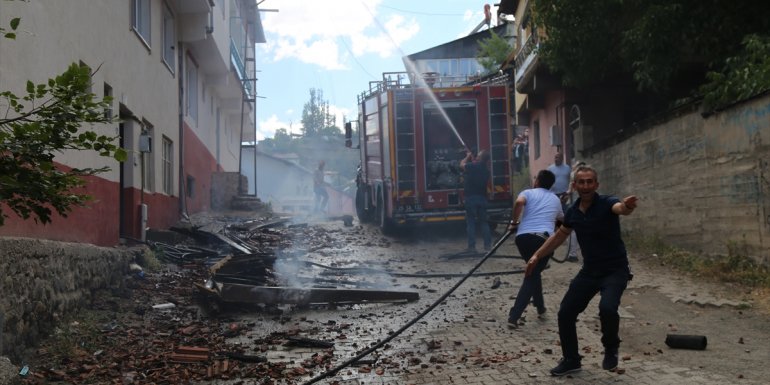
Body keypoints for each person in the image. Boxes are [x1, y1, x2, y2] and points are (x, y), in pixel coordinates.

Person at [524, 165, 638, 376]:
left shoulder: (607, 203)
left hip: (615, 270)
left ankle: (611, 347)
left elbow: (620, 209)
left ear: (596, 184)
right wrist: (536, 256)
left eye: (590, 182)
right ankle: (571, 360)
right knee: (565, 312)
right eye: (581, 182)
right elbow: (558, 237)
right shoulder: (573, 212)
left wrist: (627, 206)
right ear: (574, 186)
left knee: (607, 309)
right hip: (589, 271)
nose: (585, 186)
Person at [506, 169, 564, 329]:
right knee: (532, 275)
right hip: (544, 241)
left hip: (522, 239)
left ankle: (540, 307)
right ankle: (514, 315)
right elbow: (562, 220)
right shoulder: (555, 199)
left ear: (537, 180)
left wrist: (514, 222)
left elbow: (519, 203)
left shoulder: (528, 192)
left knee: (534, 271)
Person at [460, 149, 491, 252]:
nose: (477, 156)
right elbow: (477, 168)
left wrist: (467, 157)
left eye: (478, 155)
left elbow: (462, 165)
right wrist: (473, 160)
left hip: (471, 198)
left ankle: (471, 247)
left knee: (471, 223)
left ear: (480, 158)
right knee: (484, 223)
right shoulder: (486, 170)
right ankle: (487, 246)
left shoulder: (473, 166)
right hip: (482, 198)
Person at [564, 160, 586, 262]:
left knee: (573, 230)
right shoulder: (587, 176)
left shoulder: (574, 175)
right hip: (584, 204)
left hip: (576, 204)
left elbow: (570, 190)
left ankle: (572, 253)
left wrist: (566, 194)